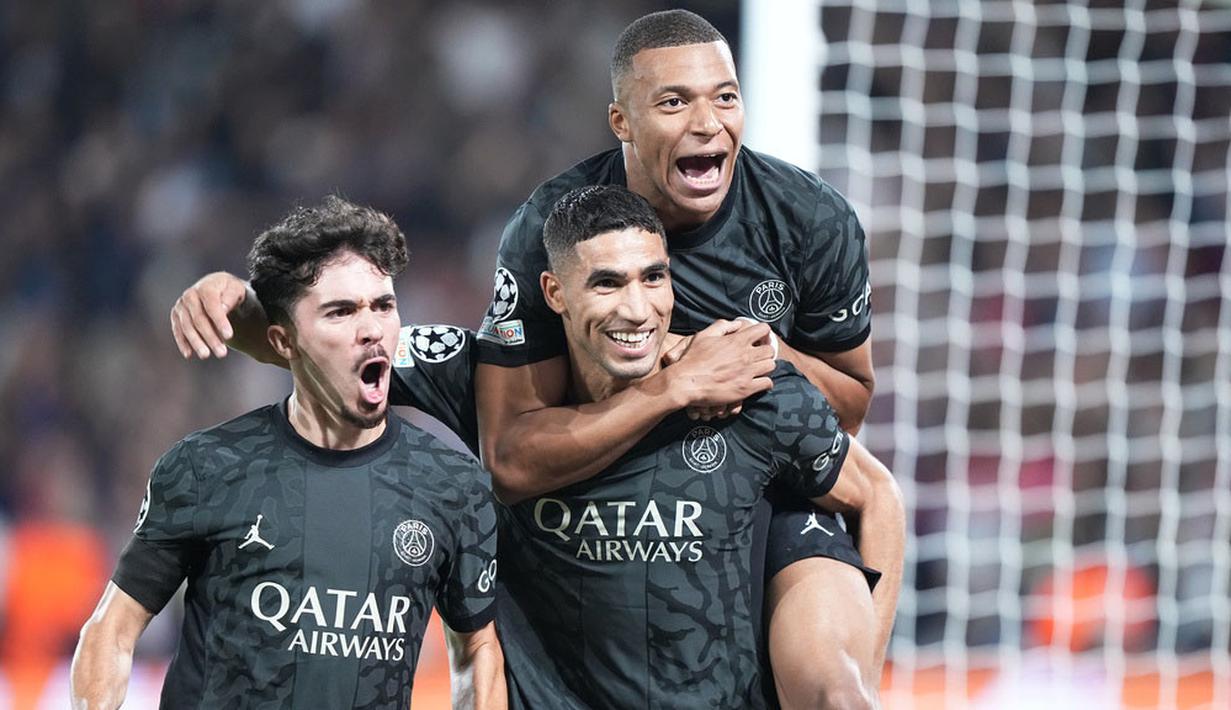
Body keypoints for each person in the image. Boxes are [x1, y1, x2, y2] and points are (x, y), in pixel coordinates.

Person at [168, 10, 900, 706]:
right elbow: (468, 429)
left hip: (760, 502)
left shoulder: (805, 228)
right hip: (582, 559)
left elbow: (861, 439)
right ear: (555, 292)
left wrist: (755, 353)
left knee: (833, 691)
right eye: (673, 102)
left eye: (724, 98)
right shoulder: (545, 230)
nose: (707, 123)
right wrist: (237, 308)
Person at [72, 197, 504, 709]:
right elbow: (112, 632)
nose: (372, 328)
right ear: (283, 341)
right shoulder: (207, 467)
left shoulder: (453, 485)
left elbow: (477, 650)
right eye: (340, 311)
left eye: (383, 305)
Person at [491, 184, 903, 708]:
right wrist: (672, 389)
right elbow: (500, 457)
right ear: (554, 293)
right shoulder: (494, 383)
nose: (636, 309)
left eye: (653, 278)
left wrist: (867, 679)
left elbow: (878, 494)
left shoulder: (748, 386)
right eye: (606, 283)